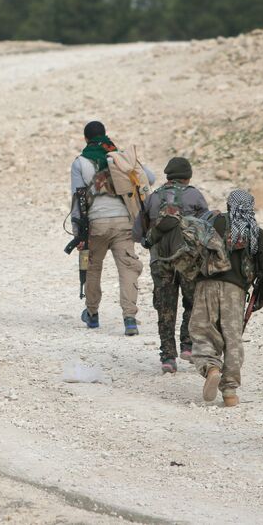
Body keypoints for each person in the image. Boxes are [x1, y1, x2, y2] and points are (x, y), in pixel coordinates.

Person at [191, 190, 263, 406]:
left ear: (229, 205)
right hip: (235, 291)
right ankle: (229, 392)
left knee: (202, 331)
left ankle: (211, 367)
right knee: (232, 338)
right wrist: (262, 297)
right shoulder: (255, 233)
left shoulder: (214, 223)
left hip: (205, 285)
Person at [70, 121, 155, 336]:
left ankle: (92, 314)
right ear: (105, 135)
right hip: (124, 223)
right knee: (128, 268)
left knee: (92, 268)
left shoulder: (81, 162)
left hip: (95, 224)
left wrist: (78, 233)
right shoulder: (119, 156)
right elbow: (150, 178)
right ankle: (129, 318)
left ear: (86, 139)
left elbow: (78, 198)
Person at [133, 156, 208, 373]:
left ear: (167, 175)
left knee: (165, 308)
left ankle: (168, 357)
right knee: (192, 302)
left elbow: (138, 233)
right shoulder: (194, 195)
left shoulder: (153, 198)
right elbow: (205, 228)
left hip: (160, 260)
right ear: (188, 176)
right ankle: (187, 344)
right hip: (188, 260)